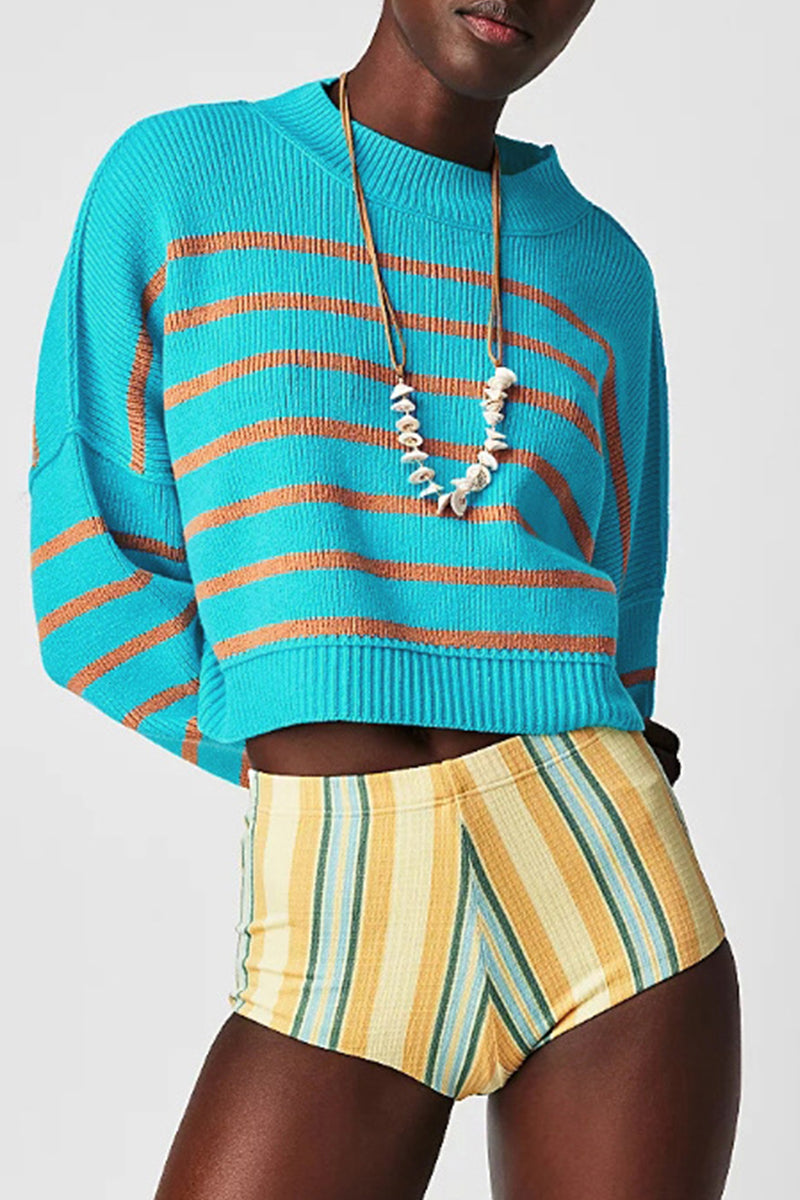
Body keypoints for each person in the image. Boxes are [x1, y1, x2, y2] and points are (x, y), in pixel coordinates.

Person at [28, 2, 741, 1196]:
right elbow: (84, 576)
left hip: (604, 894)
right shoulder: (180, 179)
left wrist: (583, 739)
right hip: (343, 880)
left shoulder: (602, 268)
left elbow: (622, 614)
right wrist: (302, 755)